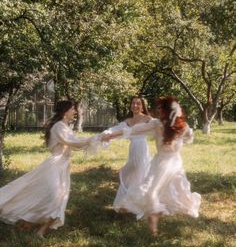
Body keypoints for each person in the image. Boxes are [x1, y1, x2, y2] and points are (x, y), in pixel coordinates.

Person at [0, 100, 105, 239]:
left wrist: (100, 138)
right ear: (65, 111)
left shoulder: (65, 126)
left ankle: (39, 230)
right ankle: (27, 221)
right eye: (73, 109)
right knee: (52, 196)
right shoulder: (59, 127)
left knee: (60, 199)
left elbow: (76, 141)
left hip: (63, 166)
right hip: (54, 166)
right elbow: (73, 142)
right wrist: (96, 138)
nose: (75, 112)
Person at [106, 97, 201, 236]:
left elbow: (189, 136)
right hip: (159, 161)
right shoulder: (156, 124)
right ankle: (154, 223)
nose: (158, 111)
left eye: (161, 109)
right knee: (151, 190)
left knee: (179, 190)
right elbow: (134, 130)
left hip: (174, 162)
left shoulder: (182, 126)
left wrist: (184, 134)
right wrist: (111, 135)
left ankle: (158, 212)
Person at [104, 96, 152, 212]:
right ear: (130, 105)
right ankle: (128, 203)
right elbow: (116, 129)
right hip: (133, 148)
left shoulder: (147, 119)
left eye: (138, 104)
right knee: (131, 174)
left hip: (142, 148)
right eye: (133, 103)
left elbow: (158, 127)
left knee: (140, 174)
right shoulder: (128, 121)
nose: (135, 105)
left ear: (142, 106)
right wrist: (106, 134)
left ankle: (140, 204)